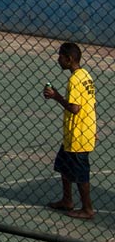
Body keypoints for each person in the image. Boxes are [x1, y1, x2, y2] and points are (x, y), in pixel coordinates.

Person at [44, 40, 97, 219]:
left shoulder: (74, 80)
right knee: (63, 165)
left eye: (60, 56)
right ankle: (67, 200)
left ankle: (87, 209)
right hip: (78, 132)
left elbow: (75, 108)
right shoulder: (85, 75)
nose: (58, 60)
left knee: (81, 173)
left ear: (69, 59)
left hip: (78, 134)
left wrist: (55, 96)